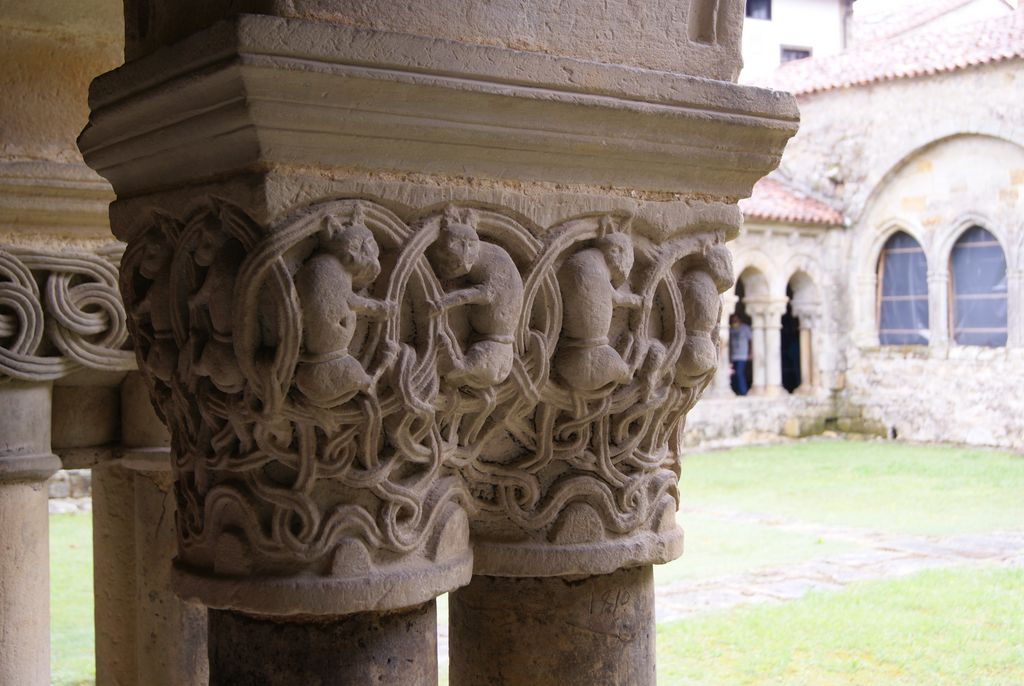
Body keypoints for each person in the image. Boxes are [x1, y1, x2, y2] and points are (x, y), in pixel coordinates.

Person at [729, 314, 753, 396]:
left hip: (742, 355)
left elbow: (751, 341)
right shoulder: (730, 329)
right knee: (733, 375)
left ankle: (743, 392)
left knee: (739, 373)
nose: (734, 321)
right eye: (733, 320)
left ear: (740, 320)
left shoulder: (745, 328)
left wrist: (750, 353)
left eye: (736, 320)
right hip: (733, 356)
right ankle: (737, 391)